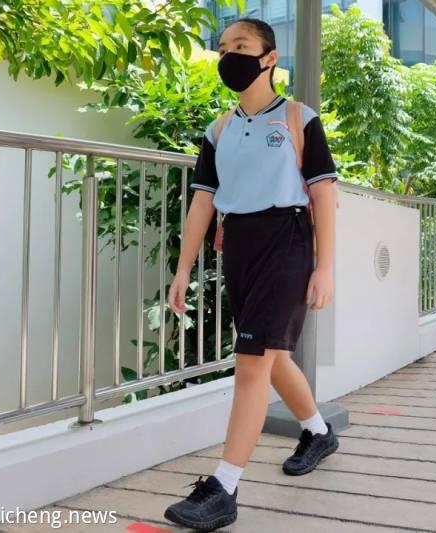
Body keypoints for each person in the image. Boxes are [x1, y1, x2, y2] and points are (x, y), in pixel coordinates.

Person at [163, 18, 339, 531]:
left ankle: (224, 488)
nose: (228, 56)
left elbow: (323, 194)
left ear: (269, 57)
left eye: (240, 45)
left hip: (287, 241)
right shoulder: (218, 130)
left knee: (252, 361)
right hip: (239, 244)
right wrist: (183, 269)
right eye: (222, 48)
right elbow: (202, 202)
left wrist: (325, 267)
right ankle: (318, 432)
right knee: (270, 354)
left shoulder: (298, 118)